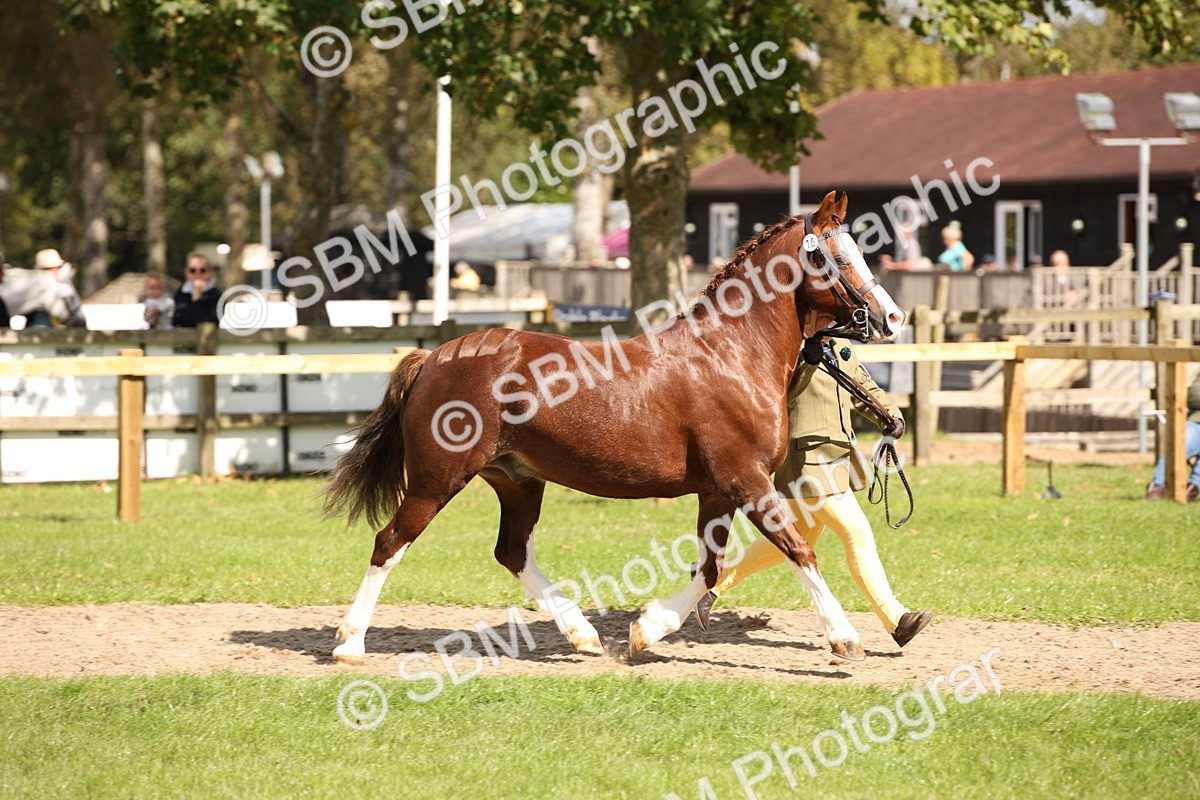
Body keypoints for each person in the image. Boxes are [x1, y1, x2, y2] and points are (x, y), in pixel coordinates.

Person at [696, 336, 933, 649]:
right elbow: (781, 395)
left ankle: (710, 584)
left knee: (788, 544)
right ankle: (896, 619)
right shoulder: (788, 344)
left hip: (836, 458)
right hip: (807, 461)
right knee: (857, 534)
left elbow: (860, 384)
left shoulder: (839, 345)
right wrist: (806, 362)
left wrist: (889, 414)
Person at [1145, 371, 1200, 502]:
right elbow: (1194, 395)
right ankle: (1157, 488)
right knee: (1179, 443)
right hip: (1196, 422)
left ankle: (1190, 490)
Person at [172, 254, 219, 327]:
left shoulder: (216, 295)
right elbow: (176, 320)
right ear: (186, 272)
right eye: (192, 270)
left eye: (202, 270)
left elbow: (209, 322)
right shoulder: (180, 292)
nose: (198, 273)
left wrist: (197, 299)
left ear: (210, 273)